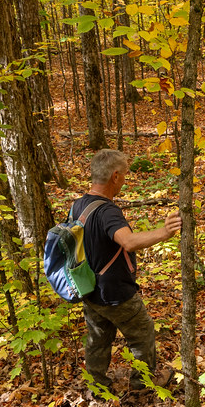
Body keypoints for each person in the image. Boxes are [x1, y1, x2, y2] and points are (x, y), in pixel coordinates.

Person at [71, 149, 181, 393]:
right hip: (114, 291)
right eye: (125, 176)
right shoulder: (107, 211)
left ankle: (97, 385)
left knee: (98, 338)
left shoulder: (79, 205)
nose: (125, 181)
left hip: (89, 287)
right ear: (115, 176)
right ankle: (142, 383)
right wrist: (165, 233)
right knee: (142, 332)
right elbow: (128, 241)